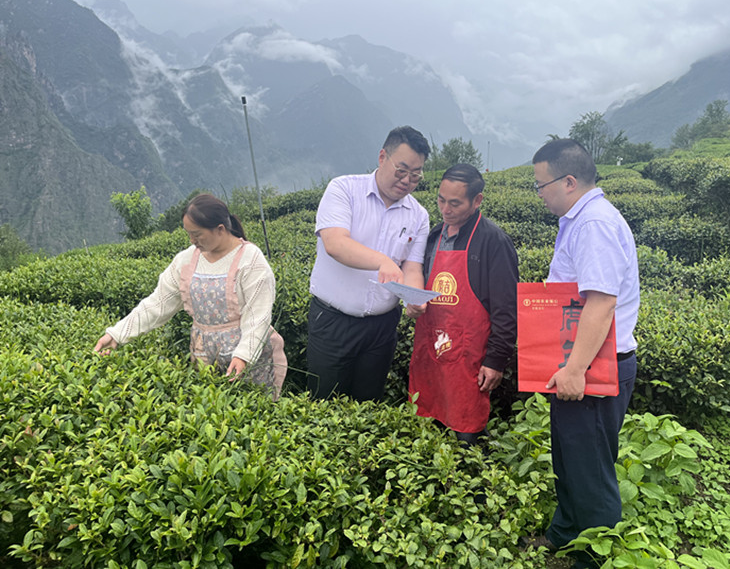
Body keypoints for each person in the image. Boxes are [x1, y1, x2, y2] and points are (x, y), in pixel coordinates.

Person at [527, 138, 639, 566]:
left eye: (541, 185)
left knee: (591, 468)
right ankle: (565, 534)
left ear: (569, 181)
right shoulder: (578, 221)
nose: (539, 194)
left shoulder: (594, 224)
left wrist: (575, 369)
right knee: (571, 458)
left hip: (593, 366)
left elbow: (601, 302)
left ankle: (594, 557)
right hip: (581, 361)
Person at [94, 193, 287, 398]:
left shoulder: (251, 261)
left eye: (197, 234)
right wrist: (117, 334)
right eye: (189, 234)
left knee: (251, 406)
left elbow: (258, 316)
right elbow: (158, 303)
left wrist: (244, 356)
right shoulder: (186, 260)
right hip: (203, 353)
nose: (192, 240)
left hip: (246, 356)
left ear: (220, 229)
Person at [306, 126, 430, 401]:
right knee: (324, 404)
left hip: (382, 329)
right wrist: (382, 261)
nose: (407, 180)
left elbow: (412, 267)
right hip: (333, 322)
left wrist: (414, 296)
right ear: (382, 157)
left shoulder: (419, 215)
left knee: (369, 405)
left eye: (415, 175)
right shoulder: (344, 189)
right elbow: (335, 243)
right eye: (402, 170)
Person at [406, 164, 518, 446]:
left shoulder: (494, 241)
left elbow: (506, 310)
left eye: (454, 203)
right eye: (441, 200)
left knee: (466, 437)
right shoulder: (434, 236)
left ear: (477, 200)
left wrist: (495, 361)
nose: (445, 209)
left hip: (470, 356)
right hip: (432, 348)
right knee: (426, 430)